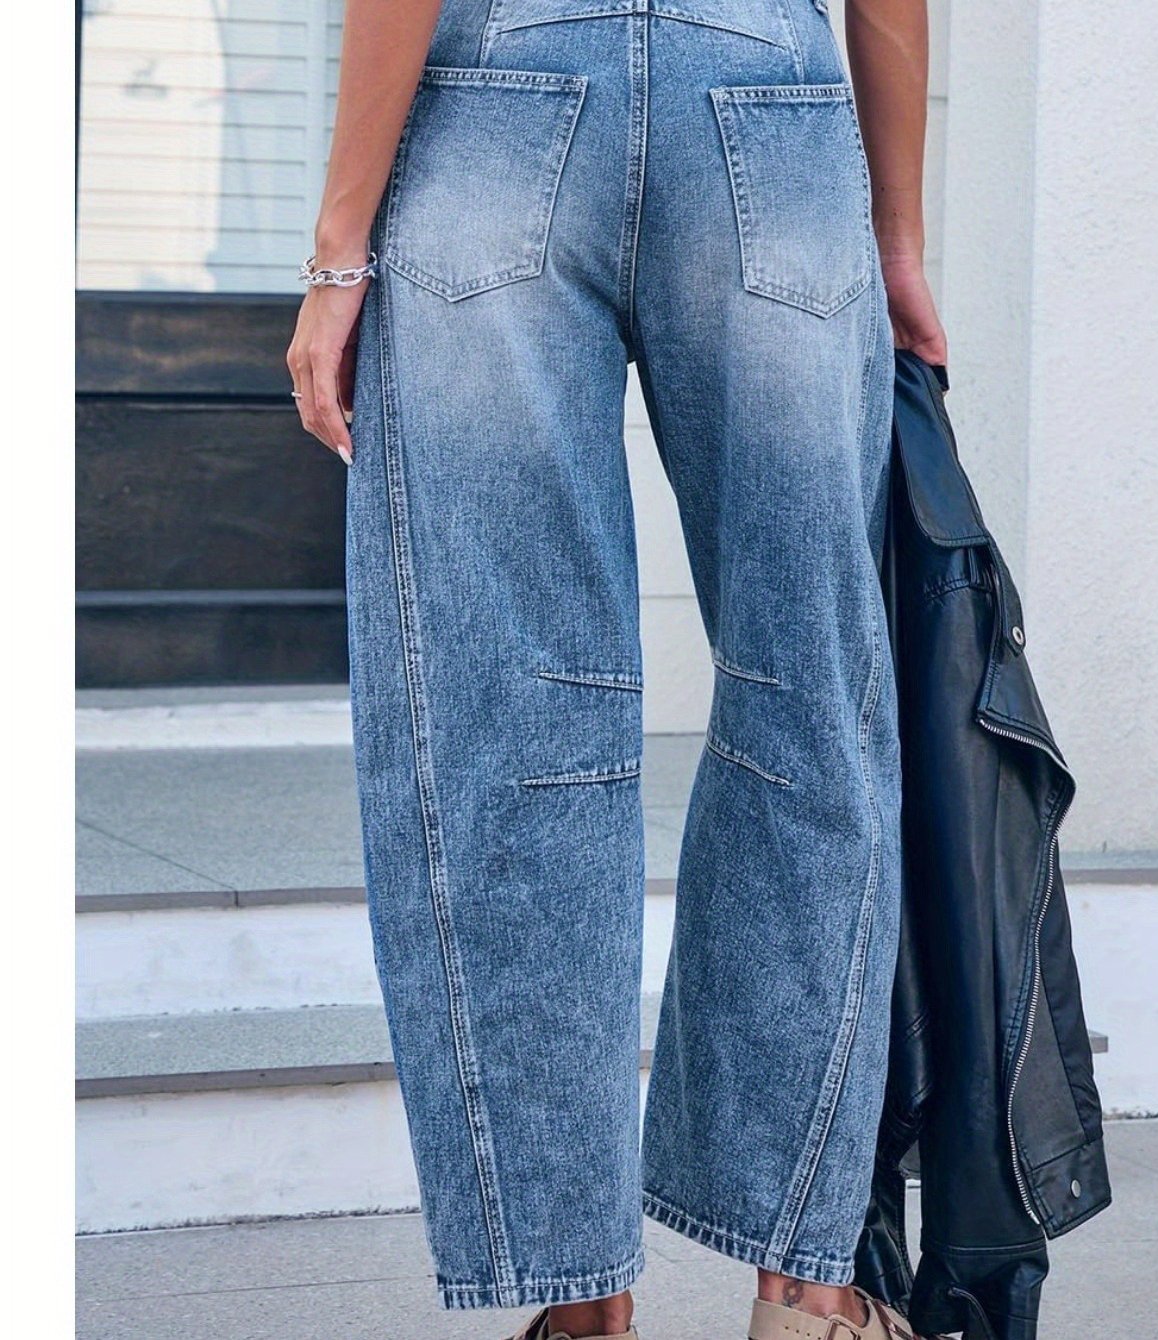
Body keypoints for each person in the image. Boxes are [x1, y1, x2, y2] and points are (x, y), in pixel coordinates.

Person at [288, 3, 947, 1337]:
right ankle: (809, 1299)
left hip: (498, 104)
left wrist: (339, 249)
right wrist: (894, 236)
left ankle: (585, 1311)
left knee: (508, 712)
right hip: (769, 112)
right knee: (812, 702)